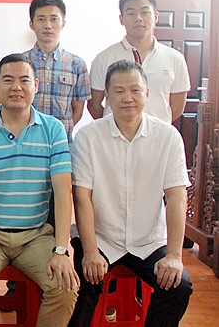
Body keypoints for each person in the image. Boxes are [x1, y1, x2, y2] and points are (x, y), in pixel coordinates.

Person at [68, 60, 193, 327]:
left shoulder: (168, 137)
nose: (128, 98)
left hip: (150, 241)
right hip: (102, 238)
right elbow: (82, 197)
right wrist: (90, 251)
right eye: (119, 91)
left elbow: (176, 197)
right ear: (107, 96)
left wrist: (174, 255)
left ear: (147, 94)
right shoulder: (88, 137)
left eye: (135, 90)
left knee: (178, 286)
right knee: (81, 287)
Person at [0, 53, 78, 327]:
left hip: (35, 236)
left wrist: (61, 249)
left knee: (65, 286)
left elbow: (63, 192)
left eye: (24, 80)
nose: (16, 87)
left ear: (36, 85)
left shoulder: (53, 129)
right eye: (8, 80)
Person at [87, 0, 190, 123]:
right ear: (121, 19)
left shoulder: (175, 59)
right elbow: (94, 105)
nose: (138, 18)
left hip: (157, 134)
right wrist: (114, 126)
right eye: (131, 13)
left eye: (145, 12)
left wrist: (156, 127)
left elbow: (177, 107)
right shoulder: (104, 58)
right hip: (114, 135)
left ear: (156, 17)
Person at [23, 0, 91, 143]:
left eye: (54, 19)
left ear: (63, 24)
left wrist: (59, 131)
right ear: (32, 24)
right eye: (41, 19)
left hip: (62, 143)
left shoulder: (77, 65)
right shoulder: (21, 64)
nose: (48, 25)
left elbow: (78, 110)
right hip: (26, 141)